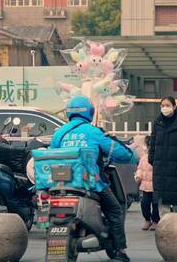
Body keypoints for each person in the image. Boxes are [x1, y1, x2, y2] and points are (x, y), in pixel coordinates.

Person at [50, 95, 136, 262]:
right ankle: (118, 251)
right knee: (115, 210)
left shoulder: (59, 134)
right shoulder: (94, 132)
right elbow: (121, 154)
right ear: (90, 112)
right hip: (90, 183)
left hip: (60, 185)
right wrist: (131, 155)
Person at [149, 97, 177, 216]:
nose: (164, 108)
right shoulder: (158, 122)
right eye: (162, 105)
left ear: (173, 107)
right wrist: (151, 159)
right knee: (161, 198)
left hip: (176, 165)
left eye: (167, 105)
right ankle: (165, 224)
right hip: (160, 165)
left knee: (176, 197)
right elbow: (153, 142)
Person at [134, 136, 159, 231]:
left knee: (156, 204)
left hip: (156, 185)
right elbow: (140, 169)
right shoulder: (144, 158)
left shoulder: (158, 158)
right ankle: (147, 219)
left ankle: (156, 221)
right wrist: (138, 176)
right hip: (145, 186)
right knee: (144, 203)